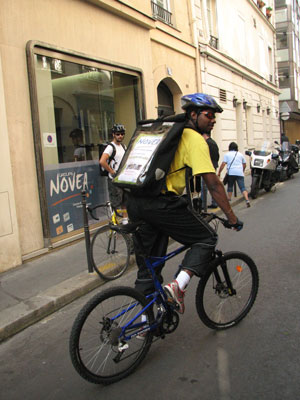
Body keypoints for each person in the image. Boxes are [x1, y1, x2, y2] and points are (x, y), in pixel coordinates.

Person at [126, 93, 242, 314]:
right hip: (160, 204)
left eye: (214, 116)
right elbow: (214, 184)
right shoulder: (193, 139)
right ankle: (178, 287)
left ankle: (143, 325)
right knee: (207, 237)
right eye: (209, 115)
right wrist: (232, 217)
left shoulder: (165, 131)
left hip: (136, 202)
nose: (213, 120)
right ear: (193, 114)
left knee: (148, 270)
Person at [99, 124, 127, 219]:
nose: (120, 136)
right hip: (114, 181)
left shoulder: (123, 146)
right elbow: (102, 161)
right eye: (118, 134)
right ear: (113, 134)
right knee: (116, 204)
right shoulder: (110, 147)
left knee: (124, 203)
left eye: (122, 134)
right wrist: (111, 171)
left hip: (122, 179)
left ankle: (125, 223)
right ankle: (114, 226)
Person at [218, 142, 250, 208]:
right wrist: (242, 170)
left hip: (231, 173)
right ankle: (247, 200)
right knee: (242, 188)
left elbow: (223, 164)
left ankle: (229, 199)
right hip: (239, 173)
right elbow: (244, 164)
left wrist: (219, 172)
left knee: (230, 186)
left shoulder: (227, 154)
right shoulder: (240, 154)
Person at [202, 132, 219, 209]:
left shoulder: (207, 143)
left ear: (204, 135)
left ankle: (203, 204)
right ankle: (214, 202)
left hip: (207, 167)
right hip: (213, 166)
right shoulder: (213, 142)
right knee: (212, 185)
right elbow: (217, 156)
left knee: (204, 187)